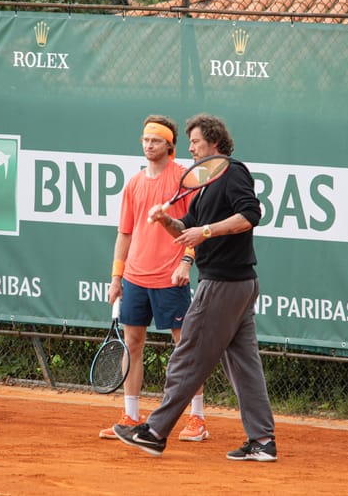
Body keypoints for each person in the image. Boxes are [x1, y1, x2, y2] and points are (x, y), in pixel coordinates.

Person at [113, 113, 277, 461]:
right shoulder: (204, 182)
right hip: (238, 284)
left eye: (196, 142)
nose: (189, 148)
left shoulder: (233, 171)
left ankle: (155, 432)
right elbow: (186, 226)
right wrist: (166, 221)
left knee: (186, 357)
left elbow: (250, 215)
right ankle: (263, 441)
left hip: (224, 283)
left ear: (214, 142)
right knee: (245, 365)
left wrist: (206, 232)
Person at [99, 114, 210, 442]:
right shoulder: (133, 183)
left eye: (156, 141)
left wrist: (186, 263)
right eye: (145, 140)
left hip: (171, 278)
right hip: (134, 278)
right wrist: (116, 278)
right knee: (132, 342)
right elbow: (125, 234)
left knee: (184, 346)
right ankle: (131, 416)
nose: (149, 145)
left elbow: (196, 229)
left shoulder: (184, 180)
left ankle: (197, 418)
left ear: (169, 145)